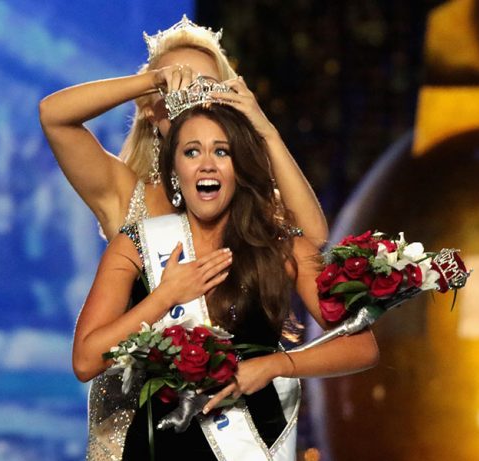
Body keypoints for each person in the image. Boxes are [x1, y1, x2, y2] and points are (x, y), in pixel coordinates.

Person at [72, 99, 378, 460]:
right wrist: (166, 295)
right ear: (175, 168)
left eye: (222, 151)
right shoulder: (136, 244)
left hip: (251, 440)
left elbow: (361, 346)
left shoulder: (282, 247)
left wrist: (276, 365)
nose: (206, 164)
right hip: (161, 444)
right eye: (191, 151)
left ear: (240, 167)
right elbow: (86, 361)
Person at [38, 15, 327, 246]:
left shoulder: (247, 200)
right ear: (151, 112)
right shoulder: (125, 196)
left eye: (205, 88)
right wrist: (151, 81)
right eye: (176, 88)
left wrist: (267, 132)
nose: (194, 103)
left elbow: (314, 239)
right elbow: (54, 115)